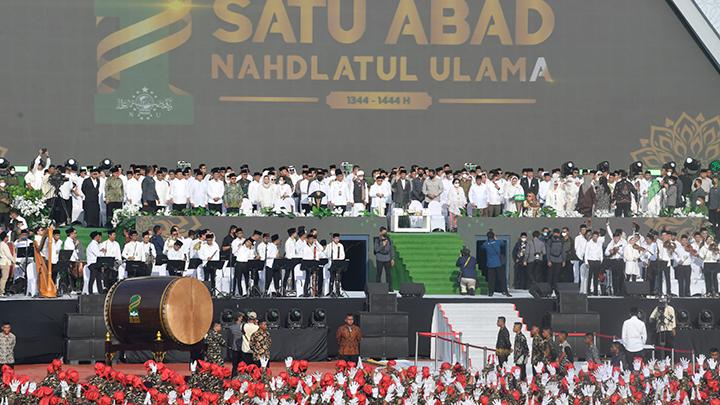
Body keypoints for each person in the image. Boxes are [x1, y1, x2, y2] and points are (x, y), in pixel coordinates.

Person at [483, 231, 510, 297]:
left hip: (490, 264)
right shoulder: (498, 242)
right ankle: (505, 291)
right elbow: (503, 244)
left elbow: (483, 247)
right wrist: (496, 238)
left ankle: (490, 293)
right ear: (494, 236)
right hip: (498, 263)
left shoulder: (486, 244)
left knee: (491, 279)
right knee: (502, 278)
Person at [545, 229, 565, 297]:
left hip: (559, 261)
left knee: (557, 277)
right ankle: (549, 291)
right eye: (555, 233)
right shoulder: (550, 240)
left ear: (559, 234)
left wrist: (563, 260)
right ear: (553, 234)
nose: (556, 235)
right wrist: (548, 260)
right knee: (550, 277)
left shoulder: (562, 241)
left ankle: (556, 291)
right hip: (551, 261)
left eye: (557, 233)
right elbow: (547, 251)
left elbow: (563, 251)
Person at [227, 312, 245, 377]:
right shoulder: (244, 326)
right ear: (238, 318)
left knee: (235, 365)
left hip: (236, 348)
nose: (242, 318)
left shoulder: (231, 327)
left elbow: (229, 340)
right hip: (241, 348)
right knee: (240, 365)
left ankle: (234, 377)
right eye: (241, 317)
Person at [0, 232, 14, 296]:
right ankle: (1, 292)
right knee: (4, 278)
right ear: (5, 238)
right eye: (7, 237)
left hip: (1, 262)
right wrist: (13, 260)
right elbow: (8, 254)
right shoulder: (4, 245)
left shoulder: (0, 244)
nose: (8, 238)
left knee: (2, 277)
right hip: (5, 262)